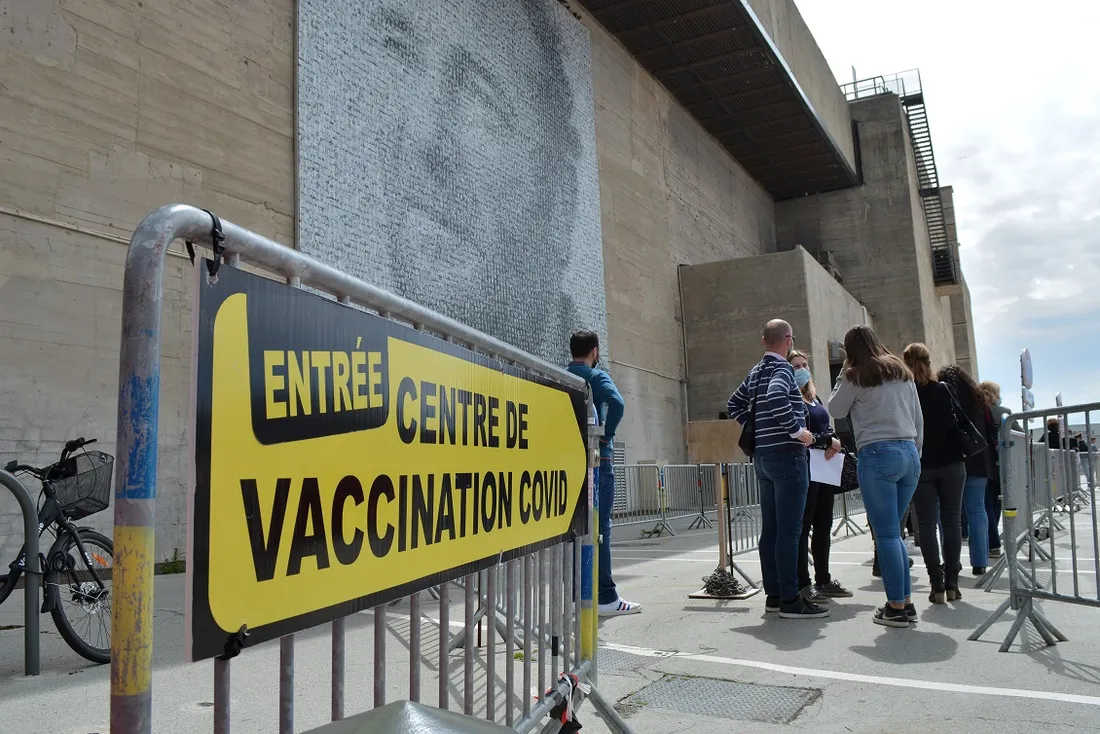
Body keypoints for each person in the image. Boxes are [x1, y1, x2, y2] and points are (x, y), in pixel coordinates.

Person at [727, 320, 829, 619]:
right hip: (788, 455)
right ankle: (790, 599)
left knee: (770, 529)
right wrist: (797, 431)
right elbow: (775, 397)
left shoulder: (756, 371)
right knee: (789, 531)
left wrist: (757, 426)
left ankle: (774, 594)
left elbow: (734, 403)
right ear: (787, 339)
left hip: (763, 457)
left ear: (764, 341)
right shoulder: (782, 369)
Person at [829, 326, 923, 628]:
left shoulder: (856, 376)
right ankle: (904, 602)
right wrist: (915, 452)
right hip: (909, 452)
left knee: (886, 535)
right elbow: (918, 418)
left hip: (878, 454)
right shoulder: (903, 373)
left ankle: (897, 606)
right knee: (893, 533)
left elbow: (835, 408)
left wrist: (842, 374)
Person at [566, 331, 641, 617]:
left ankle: (578, 594)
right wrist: (606, 434)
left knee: (575, 529)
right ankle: (606, 596)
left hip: (570, 462)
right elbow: (617, 403)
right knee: (600, 528)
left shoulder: (562, 376)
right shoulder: (596, 377)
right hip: (597, 460)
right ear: (595, 351)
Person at [787, 350, 852, 603]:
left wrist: (834, 441)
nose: (802, 369)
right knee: (803, 527)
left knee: (824, 525)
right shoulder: (791, 398)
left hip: (825, 469)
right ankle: (803, 583)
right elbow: (801, 432)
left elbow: (825, 427)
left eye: (804, 365)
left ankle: (823, 579)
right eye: (796, 366)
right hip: (806, 468)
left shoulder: (813, 397)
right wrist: (826, 440)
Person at [904, 344, 966, 603]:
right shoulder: (943, 390)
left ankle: (936, 584)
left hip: (922, 464)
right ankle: (953, 582)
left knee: (927, 525)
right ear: (929, 363)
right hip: (952, 462)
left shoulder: (907, 394)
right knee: (952, 521)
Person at [939, 366, 994, 576]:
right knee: (977, 510)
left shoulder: (943, 395)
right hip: (979, 459)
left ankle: (951, 562)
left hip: (953, 459)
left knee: (949, 514)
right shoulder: (980, 399)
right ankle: (980, 562)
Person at [981, 381, 1011, 559]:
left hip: (983, 464)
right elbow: (1019, 433)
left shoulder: (977, 411)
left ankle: (991, 542)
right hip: (1002, 464)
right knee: (996, 503)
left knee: (986, 504)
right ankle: (993, 541)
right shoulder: (1004, 412)